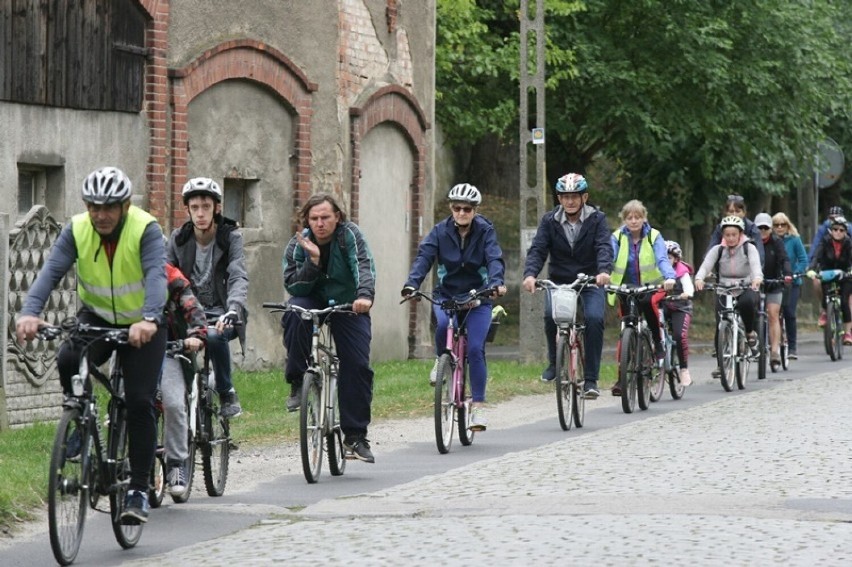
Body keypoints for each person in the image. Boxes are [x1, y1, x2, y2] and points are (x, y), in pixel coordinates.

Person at [15, 166, 167, 524]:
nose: (101, 215)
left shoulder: (146, 228)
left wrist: (149, 318)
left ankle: (138, 490)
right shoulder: (77, 228)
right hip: (97, 316)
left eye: (109, 207)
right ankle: (80, 418)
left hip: (143, 325)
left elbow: (157, 275)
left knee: (140, 401)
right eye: (94, 206)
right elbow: (51, 271)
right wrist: (30, 312)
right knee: (68, 353)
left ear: (125, 205)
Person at [401, 183, 507, 431]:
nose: (461, 213)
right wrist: (411, 284)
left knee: (476, 349)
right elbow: (424, 258)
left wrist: (496, 283)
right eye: (457, 208)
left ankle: (478, 407)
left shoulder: (485, 231)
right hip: (447, 295)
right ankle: (443, 360)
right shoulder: (439, 232)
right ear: (451, 208)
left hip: (478, 297)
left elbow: (494, 259)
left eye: (467, 209)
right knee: (442, 329)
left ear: (475, 210)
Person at [281, 193, 377, 462]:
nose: (320, 223)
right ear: (307, 221)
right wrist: (313, 262)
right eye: (314, 218)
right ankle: (299, 380)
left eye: (325, 217)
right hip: (312, 298)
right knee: (294, 313)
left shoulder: (349, 236)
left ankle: (355, 436)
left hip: (349, 303)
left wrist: (365, 296)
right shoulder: (299, 245)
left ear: (337, 217)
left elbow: (363, 266)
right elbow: (293, 286)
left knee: (356, 364)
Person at [522, 173, 613, 399]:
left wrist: (603, 271)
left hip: (590, 280)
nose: (570, 201)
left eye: (574, 196)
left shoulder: (597, 219)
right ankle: (554, 364)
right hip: (560, 280)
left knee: (594, 319)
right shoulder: (549, 220)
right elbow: (538, 249)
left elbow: (604, 246)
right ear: (559, 199)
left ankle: (591, 379)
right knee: (549, 316)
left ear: (585, 197)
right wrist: (530, 274)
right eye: (564, 197)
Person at [167, 177, 248, 419]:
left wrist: (234, 309)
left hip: (222, 312)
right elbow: (166, 276)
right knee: (177, 354)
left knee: (213, 336)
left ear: (216, 208)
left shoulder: (230, 237)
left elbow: (238, 275)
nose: (200, 213)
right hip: (189, 313)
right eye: (195, 208)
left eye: (206, 207)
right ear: (187, 210)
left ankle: (225, 390)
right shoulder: (178, 239)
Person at [607, 200, 676, 396]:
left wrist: (669, 277)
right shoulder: (617, 237)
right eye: (630, 217)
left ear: (644, 218)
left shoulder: (654, 236)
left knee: (647, 303)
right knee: (626, 328)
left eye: (637, 217)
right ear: (624, 219)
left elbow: (662, 258)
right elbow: (608, 258)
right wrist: (602, 273)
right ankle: (622, 376)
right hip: (624, 287)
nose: (634, 221)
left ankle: (657, 339)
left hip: (649, 287)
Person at [694, 215, 763, 379]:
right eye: (727, 235)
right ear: (723, 235)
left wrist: (757, 278)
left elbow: (755, 266)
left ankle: (749, 333)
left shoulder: (749, 248)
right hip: (724, 288)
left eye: (734, 235)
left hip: (745, 286)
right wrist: (699, 278)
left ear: (740, 234)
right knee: (720, 324)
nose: (731, 238)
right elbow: (705, 266)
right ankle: (721, 364)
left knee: (747, 303)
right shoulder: (718, 249)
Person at [161, 263, 207, 497]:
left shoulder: (172, 277)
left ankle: (177, 464)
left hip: (169, 350)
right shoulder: (121, 273)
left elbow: (191, 307)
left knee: (174, 403)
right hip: (134, 350)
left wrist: (197, 334)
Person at [753, 213, 792, 372]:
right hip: (755, 283)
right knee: (750, 310)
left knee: (773, 313)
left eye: (766, 228)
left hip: (774, 282)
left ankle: (775, 351)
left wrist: (787, 274)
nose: (762, 230)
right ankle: (752, 343)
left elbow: (785, 259)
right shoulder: (750, 243)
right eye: (759, 228)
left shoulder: (777, 243)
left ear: (770, 229)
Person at [807, 215, 852, 344]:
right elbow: (817, 256)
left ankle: (848, 332)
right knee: (825, 295)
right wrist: (811, 269)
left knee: (844, 301)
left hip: (845, 275)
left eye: (841, 230)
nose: (838, 232)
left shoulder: (849, 243)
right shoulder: (825, 241)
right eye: (835, 229)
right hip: (827, 273)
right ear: (831, 230)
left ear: (845, 232)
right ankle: (826, 312)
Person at [772, 212, 808, 359]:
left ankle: (792, 347)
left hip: (791, 283)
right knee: (772, 314)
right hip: (774, 281)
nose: (780, 227)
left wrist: (795, 273)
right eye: (776, 225)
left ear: (788, 225)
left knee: (789, 313)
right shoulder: (770, 241)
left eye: (783, 224)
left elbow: (803, 259)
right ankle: (773, 342)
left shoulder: (794, 239)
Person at [662, 241, 694, 386]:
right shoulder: (657, 270)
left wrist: (686, 293)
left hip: (680, 307)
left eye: (669, 257)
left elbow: (689, 287)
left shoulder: (681, 271)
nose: (666, 261)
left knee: (679, 335)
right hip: (662, 306)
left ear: (675, 259)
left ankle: (684, 369)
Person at [706, 194, 765, 264]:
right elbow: (711, 249)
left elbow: (760, 255)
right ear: (726, 213)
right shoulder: (720, 228)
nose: (734, 215)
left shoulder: (752, 229)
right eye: (731, 211)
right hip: (724, 267)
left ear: (744, 212)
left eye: (737, 211)